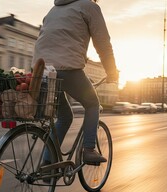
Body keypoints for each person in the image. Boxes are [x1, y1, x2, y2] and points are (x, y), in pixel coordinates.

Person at [32, 0, 119, 164]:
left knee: (64, 116)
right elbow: (103, 44)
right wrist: (112, 72)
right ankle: (88, 150)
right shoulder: (90, 7)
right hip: (66, 69)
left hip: (41, 70)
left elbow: (49, 40)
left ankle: (47, 162)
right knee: (92, 104)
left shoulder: (53, 10)